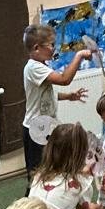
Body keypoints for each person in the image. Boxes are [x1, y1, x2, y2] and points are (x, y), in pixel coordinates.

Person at [22, 23, 93, 184]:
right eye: (51, 45)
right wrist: (79, 55)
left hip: (45, 126)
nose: (54, 48)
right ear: (37, 48)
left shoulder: (42, 65)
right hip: (36, 129)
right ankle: (32, 198)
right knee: (37, 175)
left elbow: (45, 95)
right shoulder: (33, 67)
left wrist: (68, 96)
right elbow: (64, 79)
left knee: (50, 170)